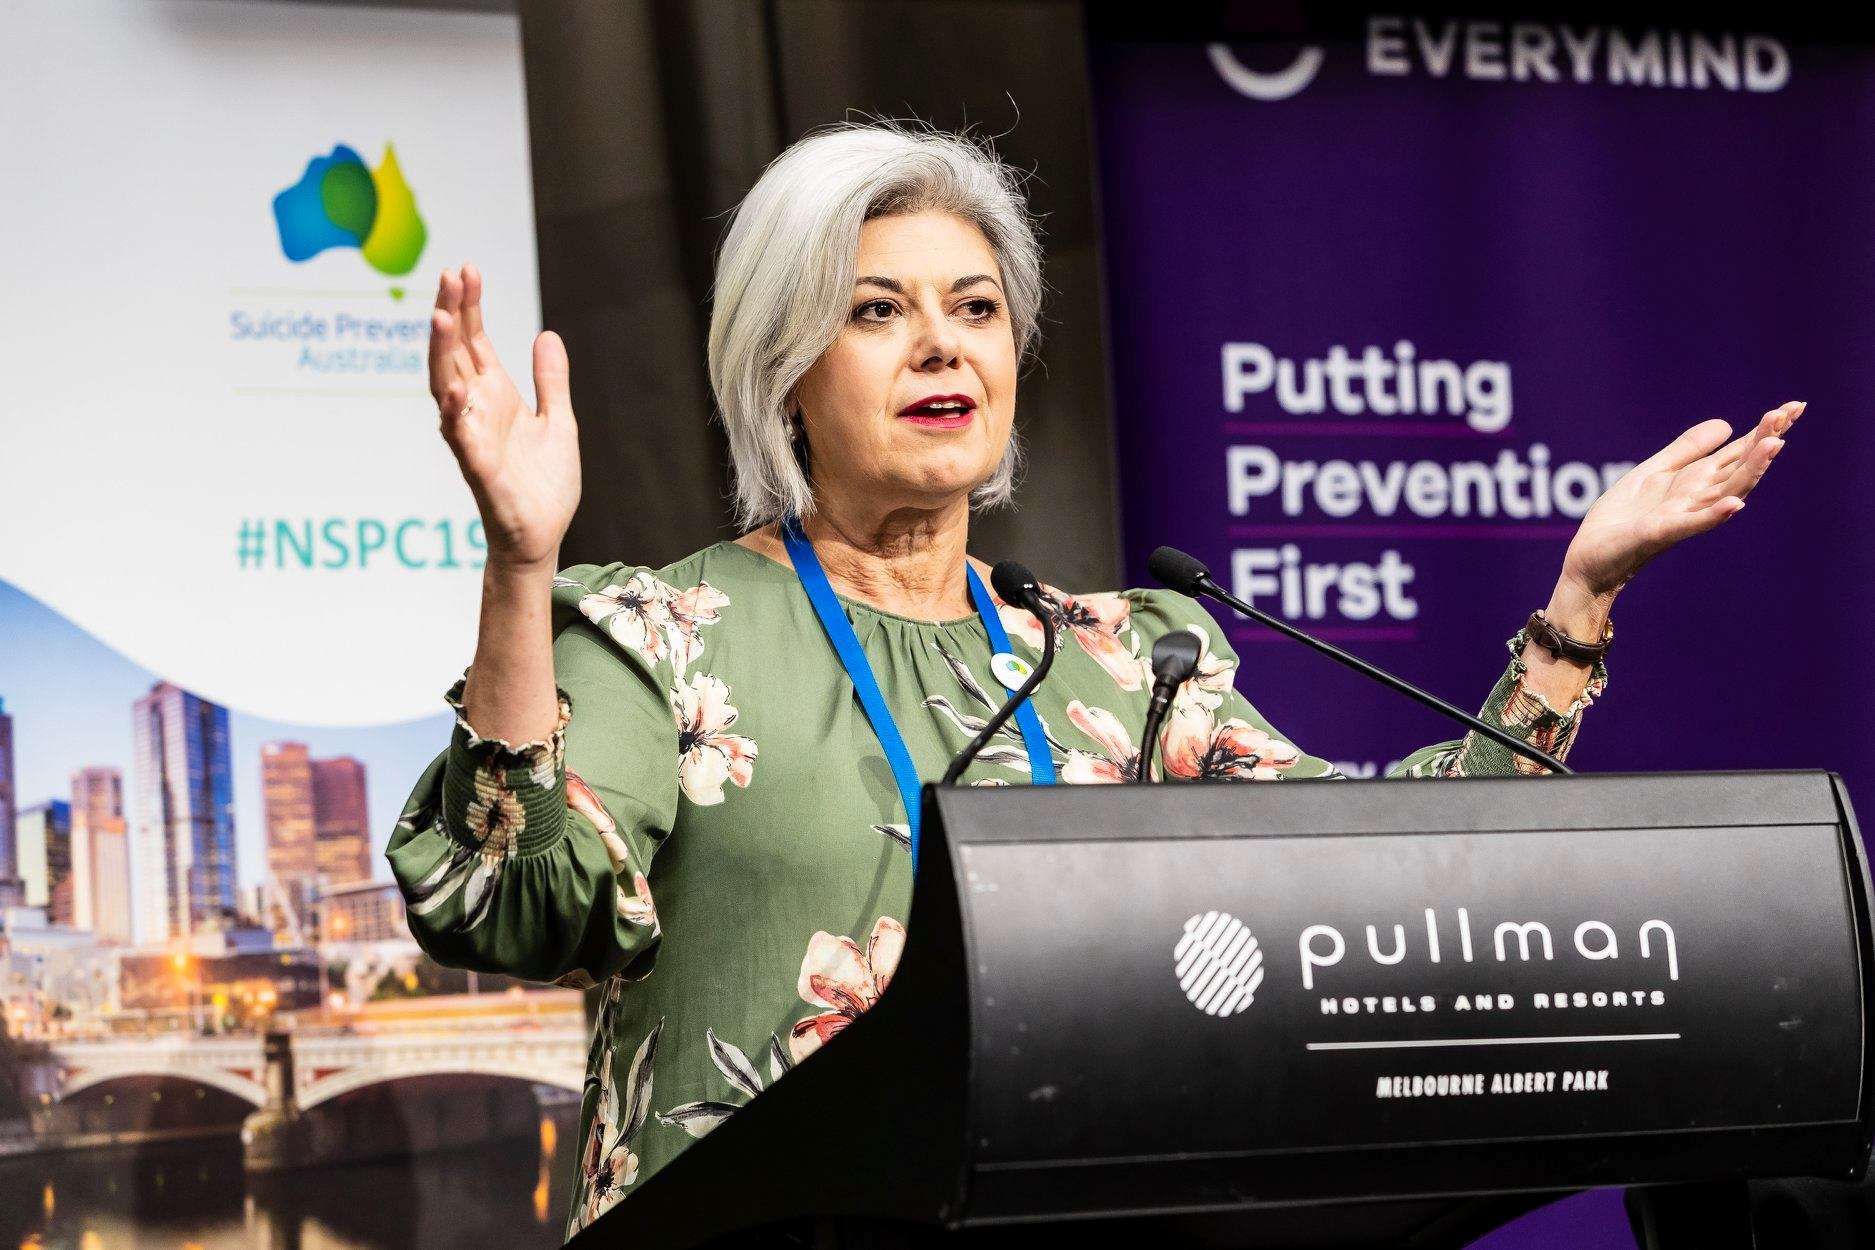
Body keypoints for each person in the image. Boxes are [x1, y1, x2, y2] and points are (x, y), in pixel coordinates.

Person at [386, 122, 1797, 1240]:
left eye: (977, 307)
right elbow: (505, 899)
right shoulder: (667, 629)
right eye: (878, 309)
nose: (943, 342)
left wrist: (1577, 602)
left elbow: (1389, 892)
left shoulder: (1123, 658)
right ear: (784, 371)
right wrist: (521, 561)